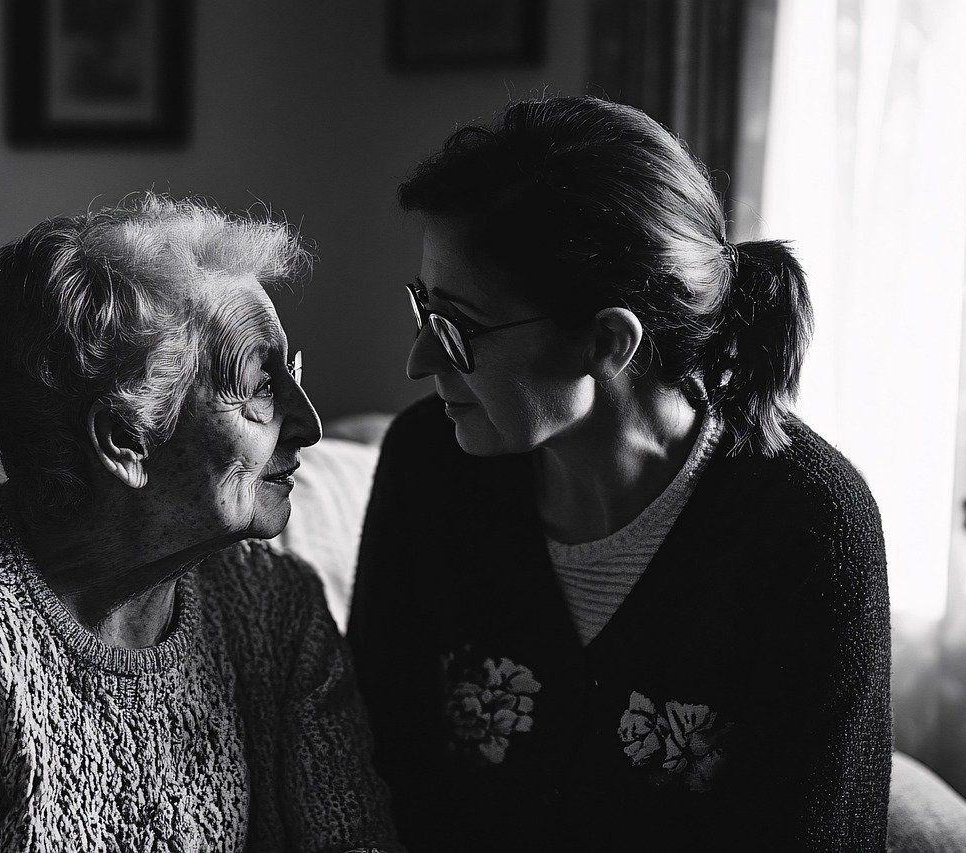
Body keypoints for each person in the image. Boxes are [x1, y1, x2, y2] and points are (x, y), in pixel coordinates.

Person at [0, 195, 399, 852]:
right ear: (124, 438)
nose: (310, 424)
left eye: (294, 373)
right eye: (262, 385)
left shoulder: (277, 608)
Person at [348, 97, 891, 851]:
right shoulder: (426, 464)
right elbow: (373, 766)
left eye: (459, 328)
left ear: (607, 341)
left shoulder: (809, 526)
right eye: (423, 308)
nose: (420, 362)